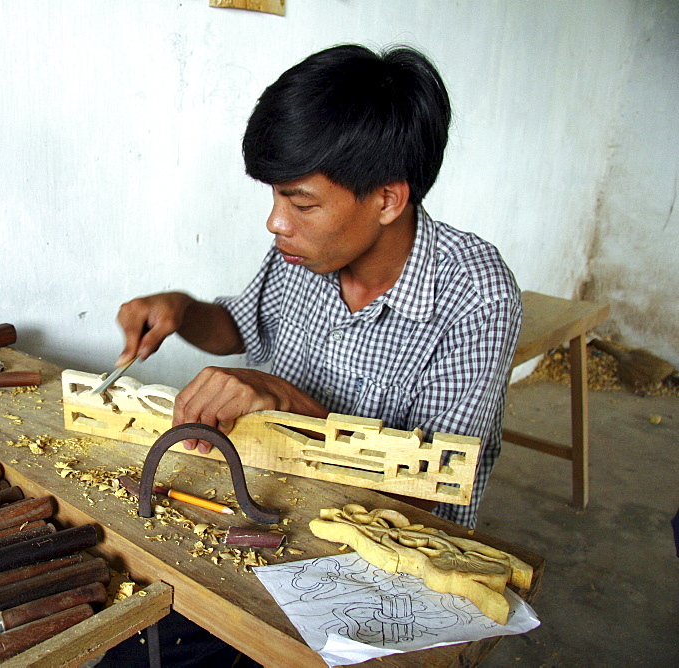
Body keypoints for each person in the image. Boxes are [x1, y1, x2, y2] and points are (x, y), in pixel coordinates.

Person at [101, 42, 520, 667]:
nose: (276, 223)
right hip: (267, 512)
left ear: (387, 199)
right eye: (275, 198)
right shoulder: (304, 252)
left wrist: (290, 403)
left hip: (377, 570)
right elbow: (239, 325)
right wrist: (185, 312)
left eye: (300, 203)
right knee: (132, 644)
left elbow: (433, 497)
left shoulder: (474, 294)